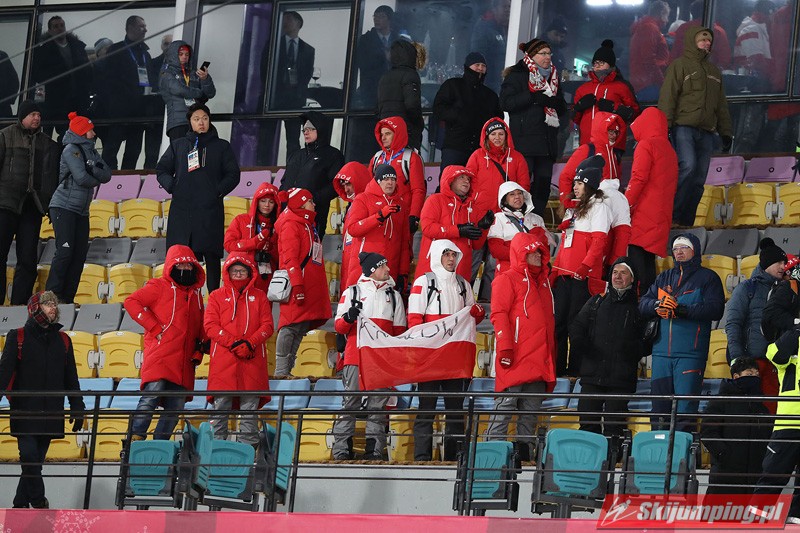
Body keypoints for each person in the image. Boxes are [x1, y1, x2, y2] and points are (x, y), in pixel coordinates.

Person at [0, 291, 85, 509]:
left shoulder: (64, 340)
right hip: (24, 412)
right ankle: (39, 501)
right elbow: (3, 374)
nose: (53, 307)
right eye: (47, 304)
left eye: (54, 304)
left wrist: (78, 407)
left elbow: (71, 378)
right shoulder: (17, 336)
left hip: (52, 413)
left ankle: (19, 505)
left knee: (34, 463)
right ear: (35, 308)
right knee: (30, 457)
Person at [408, 240, 485, 461]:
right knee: (426, 410)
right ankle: (421, 459)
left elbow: (471, 318)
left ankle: (454, 459)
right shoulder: (423, 282)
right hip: (430, 358)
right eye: (446, 254)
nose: (451, 259)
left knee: (455, 412)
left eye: (453, 255)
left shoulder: (464, 284)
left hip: (454, 359)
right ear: (436, 256)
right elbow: (414, 321)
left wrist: (478, 313)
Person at [639, 233, 725, 430]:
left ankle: (682, 449)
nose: (678, 251)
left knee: (685, 410)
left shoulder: (708, 278)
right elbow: (642, 303)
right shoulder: (664, 277)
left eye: (684, 247)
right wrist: (657, 305)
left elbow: (715, 309)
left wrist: (681, 310)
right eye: (675, 248)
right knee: (659, 411)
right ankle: (658, 447)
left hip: (690, 354)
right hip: (661, 354)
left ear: (695, 250)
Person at [124, 245, 206, 441]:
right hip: (160, 355)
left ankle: (160, 446)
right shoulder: (158, 286)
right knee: (150, 397)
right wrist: (154, 327)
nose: (185, 268)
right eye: (180, 265)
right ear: (171, 266)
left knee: (175, 407)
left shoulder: (196, 294)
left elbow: (201, 324)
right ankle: (134, 440)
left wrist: (201, 348)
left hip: (184, 361)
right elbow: (131, 302)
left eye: (189, 265)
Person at [157, 103, 240, 294]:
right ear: (190, 122)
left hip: (209, 210)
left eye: (204, 118)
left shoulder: (221, 146)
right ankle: (185, 299)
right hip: (182, 211)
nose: (201, 122)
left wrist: (217, 191)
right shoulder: (178, 145)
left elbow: (233, 174)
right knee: (182, 258)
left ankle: (214, 299)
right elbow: (162, 169)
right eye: (196, 119)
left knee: (211, 257)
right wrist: (173, 187)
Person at [487, 231, 556, 460]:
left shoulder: (544, 283)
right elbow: (498, 314)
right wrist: (505, 347)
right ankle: (492, 459)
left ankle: (524, 460)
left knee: (530, 415)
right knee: (503, 410)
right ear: (520, 254)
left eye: (540, 251)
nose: (537, 255)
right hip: (515, 357)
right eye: (532, 251)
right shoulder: (506, 279)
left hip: (538, 360)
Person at [332, 252, 406, 460]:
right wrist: (348, 318)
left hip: (381, 361)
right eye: (383, 266)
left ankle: (374, 452)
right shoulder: (352, 292)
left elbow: (398, 333)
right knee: (350, 403)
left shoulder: (395, 297)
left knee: (377, 407)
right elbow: (339, 326)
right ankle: (341, 451)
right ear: (372, 270)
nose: (388, 269)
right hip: (355, 357)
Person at [658, 26, 732, 227]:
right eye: (702, 40)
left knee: (699, 179)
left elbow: (721, 105)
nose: (707, 43)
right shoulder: (679, 65)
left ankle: (686, 222)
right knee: (688, 167)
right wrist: (664, 127)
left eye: (709, 41)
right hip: (683, 127)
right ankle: (672, 215)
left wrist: (726, 132)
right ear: (693, 41)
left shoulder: (714, 72)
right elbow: (668, 97)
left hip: (707, 132)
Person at [551, 155, 613, 377]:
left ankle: (576, 369)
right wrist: (555, 270)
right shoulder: (573, 209)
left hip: (582, 277)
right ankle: (557, 368)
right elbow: (565, 245)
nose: (574, 188)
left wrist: (585, 267)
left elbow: (599, 243)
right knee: (558, 324)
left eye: (578, 183)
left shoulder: (599, 208)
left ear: (589, 185)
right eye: (574, 183)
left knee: (576, 324)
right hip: (565, 276)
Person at [570, 258, 643, 442]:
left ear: (632, 278)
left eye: (623, 273)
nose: (617, 276)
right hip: (592, 376)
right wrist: (581, 343)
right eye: (615, 272)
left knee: (614, 429)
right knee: (587, 427)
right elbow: (577, 326)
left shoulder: (640, 307)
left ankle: (614, 459)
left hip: (620, 380)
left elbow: (648, 340)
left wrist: (632, 350)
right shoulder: (596, 301)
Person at [205, 253, 273, 446]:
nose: (238, 274)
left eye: (242, 270)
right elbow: (210, 326)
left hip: (252, 360)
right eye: (234, 270)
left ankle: (248, 450)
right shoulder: (216, 296)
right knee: (220, 408)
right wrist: (234, 343)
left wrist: (250, 343)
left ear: (250, 272)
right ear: (227, 272)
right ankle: (216, 450)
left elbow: (268, 326)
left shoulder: (260, 296)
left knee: (249, 411)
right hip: (224, 362)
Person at [45, 112, 111, 304]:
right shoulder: (71, 150)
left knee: (79, 255)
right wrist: (95, 175)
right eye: (90, 129)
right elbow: (82, 178)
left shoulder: (92, 151)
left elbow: (107, 175)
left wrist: (92, 169)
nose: (94, 133)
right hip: (63, 207)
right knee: (65, 252)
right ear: (82, 132)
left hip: (81, 210)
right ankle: (52, 297)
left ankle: (67, 299)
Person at [0, 101, 60, 306]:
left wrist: (48, 204)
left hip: (32, 207)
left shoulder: (48, 143)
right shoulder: (5, 136)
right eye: (33, 114)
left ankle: (18, 305)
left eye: (39, 115)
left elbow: (51, 177)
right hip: (5, 205)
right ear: (22, 116)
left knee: (27, 260)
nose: (37, 118)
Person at [500, 38, 566, 217]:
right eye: (543, 53)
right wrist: (532, 96)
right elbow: (505, 103)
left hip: (547, 143)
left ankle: (536, 221)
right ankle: (518, 220)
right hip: (525, 143)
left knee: (543, 187)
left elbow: (562, 107)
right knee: (521, 186)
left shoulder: (553, 76)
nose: (547, 57)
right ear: (531, 56)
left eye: (549, 53)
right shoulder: (516, 75)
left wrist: (554, 102)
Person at [559, 113, 630, 275]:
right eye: (609, 131)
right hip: (590, 207)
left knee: (613, 242)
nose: (613, 135)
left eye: (616, 132)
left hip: (608, 207)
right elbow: (566, 176)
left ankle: (610, 270)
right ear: (601, 129)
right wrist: (567, 202)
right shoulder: (587, 149)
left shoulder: (614, 153)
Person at [273, 188, 332, 377]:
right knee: (290, 326)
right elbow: (289, 259)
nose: (314, 204)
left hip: (308, 284)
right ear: (301, 203)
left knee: (300, 327)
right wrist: (297, 285)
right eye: (310, 201)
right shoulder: (291, 225)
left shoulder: (306, 224)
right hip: (297, 284)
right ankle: (281, 371)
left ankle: (287, 370)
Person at [624, 107, 678, 294]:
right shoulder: (669, 149)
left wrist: (625, 205)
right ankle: (650, 303)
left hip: (643, 212)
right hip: (661, 213)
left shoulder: (646, 145)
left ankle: (640, 304)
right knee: (648, 263)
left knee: (637, 262)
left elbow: (638, 179)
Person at [701, 357, 770, 495]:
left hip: (754, 475)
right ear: (736, 377)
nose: (755, 377)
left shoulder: (762, 407)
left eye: (757, 374)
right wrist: (723, 454)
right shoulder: (720, 401)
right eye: (749, 374)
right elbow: (708, 431)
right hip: (725, 474)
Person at [752, 324, 800, 519]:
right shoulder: (790, 344)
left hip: (788, 423)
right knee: (773, 474)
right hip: (788, 422)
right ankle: (755, 519)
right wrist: (796, 331)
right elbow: (774, 354)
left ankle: (796, 518)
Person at [418, 165, 493, 281]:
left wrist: (483, 228)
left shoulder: (473, 208)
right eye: (461, 177)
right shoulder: (435, 200)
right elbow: (428, 228)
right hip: (434, 268)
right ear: (450, 179)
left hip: (461, 270)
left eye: (468, 179)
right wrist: (459, 230)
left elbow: (476, 245)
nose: (466, 181)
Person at [343, 164, 410, 292]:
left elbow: (404, 243)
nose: (390, 182)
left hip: (389, 268)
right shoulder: (363, 198)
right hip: (364, 268)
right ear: (378, 181)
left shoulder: (401, 204)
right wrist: (379, 217)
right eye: (386, 179)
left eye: (393, 179)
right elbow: (353, 229)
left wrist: (403, 272)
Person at [432, 52, 502, 172]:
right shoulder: (453, 85)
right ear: (467, 66)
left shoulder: (490, 95)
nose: (480, 68)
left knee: (476, 180)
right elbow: (439, 108)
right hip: (455, 145)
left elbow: (498, 118)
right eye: (477, 64)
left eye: (483, 66)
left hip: (479, 149)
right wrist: (459, 116)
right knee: (449, 179)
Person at [279, 111, 344, 237]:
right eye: (304, 130)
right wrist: (282, 198)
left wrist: (312, 199)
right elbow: (285, 181)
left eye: (310, 129)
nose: (306, 132)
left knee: (309, 247)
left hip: (314, 214)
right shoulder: (296, 155)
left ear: (320, 130)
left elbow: (335, 185)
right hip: (287, 214)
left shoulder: (333, 155)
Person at [100, 15, 152, 170]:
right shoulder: (116, 50)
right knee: (111, 148)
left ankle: (127, 180)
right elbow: (108, 81)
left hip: (140, 111)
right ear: (130, 28)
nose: (145, 30)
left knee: (134, 150)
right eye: (141, 26)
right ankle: (108, 178)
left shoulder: (145, 53)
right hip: (119, 111)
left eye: (145, 26)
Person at [726, 238, 787, 362]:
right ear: (767, 263)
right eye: (779, 262)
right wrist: (737, 359)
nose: (783, 266)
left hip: (777, 362)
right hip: (750, 360)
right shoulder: (746, 288)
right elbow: (733, 324)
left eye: (784, 263)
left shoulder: (785, 290)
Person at [31, 16, 92, 140]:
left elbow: (87, 71)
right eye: (56, 26)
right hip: (55, 101)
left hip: (77, 100)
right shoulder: (43, 51)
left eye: (61, 25)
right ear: (50, 30)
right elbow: (38, 75)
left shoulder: (77, 47)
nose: (60, 28)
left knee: (73, 135)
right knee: (61, 135)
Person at [572, 40, 639, 146]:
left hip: (613, 144)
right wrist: (579, 106)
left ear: (611, 65)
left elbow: (634, 114)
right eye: (595, 63)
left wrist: (613, 107)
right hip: (587, 143)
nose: (597, 66)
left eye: (601, 63)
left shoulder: (622, 87)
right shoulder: (583, 89)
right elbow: (574, 119)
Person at [269, 11, 315, 159]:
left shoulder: (308, 49)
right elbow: (264, 71)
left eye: (288, 20)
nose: (285, 23)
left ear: (298, 23)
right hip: (274, 98)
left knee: (293, 139)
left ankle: (293, 167)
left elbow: (307, 74)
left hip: (295, 100)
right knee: (267, 137)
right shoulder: (273, 45)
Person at [368, 116, 426, 226]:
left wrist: (414, 215)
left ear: (398, 134)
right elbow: (367, 189)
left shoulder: (411, 157)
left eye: (388, 134)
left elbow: (418, 190)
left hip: (402, 216)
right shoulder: (376, 158)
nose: (383, 138)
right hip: (378, 215)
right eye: (382, 134)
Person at [224, 182, 280, 293]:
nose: (267, 205)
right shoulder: (241, 220)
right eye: (263, 201)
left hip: (267, 275)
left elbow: (283, 254)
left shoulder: (279, 225)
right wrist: (254, 242)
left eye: (271, 202)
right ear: (256, 202)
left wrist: (270, 248)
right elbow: (228, 245)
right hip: (243, 274)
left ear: (276, 205)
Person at [487, 182, 552, 275]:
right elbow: (496, 250)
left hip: (534, 273)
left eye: (520, 193)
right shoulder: (498, 218)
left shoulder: (537, 219)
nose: (517, 197)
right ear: (504, 200)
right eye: (512, 194)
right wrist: (525, 255)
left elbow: (544, 247)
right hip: (509, 272)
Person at [466, 117, 530, 211]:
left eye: (501, 134)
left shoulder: (517, 157)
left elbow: (524, 184)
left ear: (506, 135)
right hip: (481, 209)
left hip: (508, 210)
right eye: (493, 134)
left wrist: (518, 204)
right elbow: (468, 180)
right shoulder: (477, 155)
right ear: (487, 136)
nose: (497, 137)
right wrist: (474, 199)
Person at [159, 40, 216, 142]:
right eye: (181, 54)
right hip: (178, 123)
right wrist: (199, 93)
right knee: (181, 151)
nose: (184, 57)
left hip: (196, 122)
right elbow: (179, 90)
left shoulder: (193, 73)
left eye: (187, 54)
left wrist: (205, 79)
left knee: (201, 150)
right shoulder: (166, 73)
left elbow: (210, 93)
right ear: (173, 55)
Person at [377, 39, 423, 151]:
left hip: (387, 130)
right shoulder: (410, 75)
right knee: (408, 160)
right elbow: (412, 105)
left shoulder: (384, 77)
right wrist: (419, 124)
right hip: (405, 131)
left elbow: (378, 107)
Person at [334, 161, 372, 297]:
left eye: (349, 184)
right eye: (343, 185)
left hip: (360, 263)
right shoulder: (350, 206)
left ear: (359, 180)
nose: (346, 190)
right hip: (349, 261)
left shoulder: (370, 203)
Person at [355, 5, 399, 108]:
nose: (377, 19)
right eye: (375, 16)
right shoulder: (366, 40)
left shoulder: (398, 39)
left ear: (389, 19)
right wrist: (383, 57)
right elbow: (361, 63)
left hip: (394, 90)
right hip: (372, 91)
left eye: (381, 16)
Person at [629, 1, 671, 102]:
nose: (667, 20)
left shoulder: (644, 27)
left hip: (644, 83)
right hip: (649, 85)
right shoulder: (650, 28)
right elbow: (649, 60)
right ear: (661, 14)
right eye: (667, 15)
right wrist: (662, 82)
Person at [670, 1, 732, 70]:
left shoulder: (683, 29)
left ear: (692, 13)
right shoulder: (718, 32)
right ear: (710, 11)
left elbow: (674, 54)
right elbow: (724, 59)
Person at [143, 34, 172, 169]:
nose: (168, 47)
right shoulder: (153, 63)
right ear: (161, 46)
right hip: (154, 112)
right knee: (151, 153)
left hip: (173, 112)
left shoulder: (184, 67)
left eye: (171, 44)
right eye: (166, 44)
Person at [470, 0, 510, 93]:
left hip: (502, 85)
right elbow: (477, 59)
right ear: (494, 9)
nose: (508, 10)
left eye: (509, 7)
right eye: (504, 7)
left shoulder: (508, 30)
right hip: (489, 87)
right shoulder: (483, 29)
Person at [0, 49, 19, 118]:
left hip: (3, 109)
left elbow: (14, 82)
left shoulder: (2, 56)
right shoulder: (2, 55)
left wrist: (5, 101)